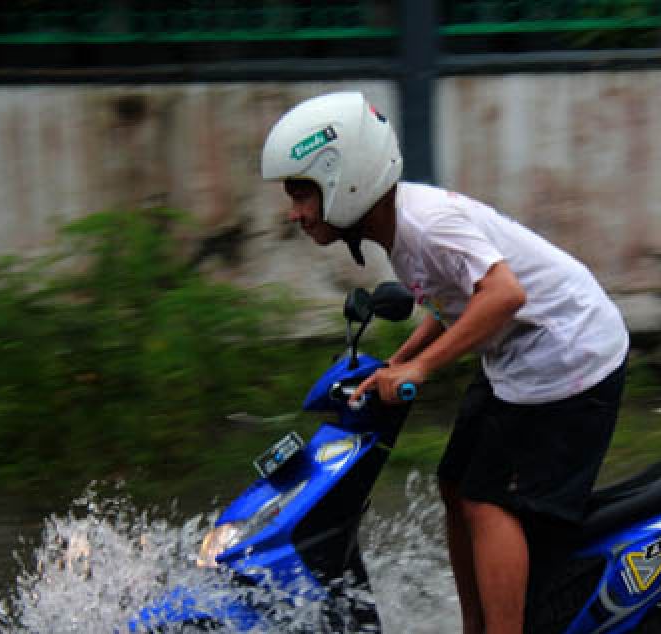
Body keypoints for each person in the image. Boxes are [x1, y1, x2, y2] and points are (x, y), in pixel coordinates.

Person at [261, 91, 629, 634]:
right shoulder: (400, 226)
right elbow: (453, 298)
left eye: (302, 195)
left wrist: (421, 370)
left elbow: (502, 294)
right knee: (455, 481)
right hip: (521, 359)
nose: (294, 213)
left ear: (347, 180)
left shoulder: (425, 223)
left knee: (488, 499)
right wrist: (400, 358)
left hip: (567, 357)